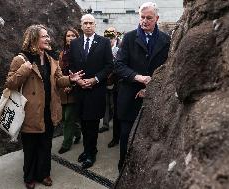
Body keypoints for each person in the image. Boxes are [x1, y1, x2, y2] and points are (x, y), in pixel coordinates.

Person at [4, 24, 83, 189]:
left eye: (48, 36)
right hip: (30, 112)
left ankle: (44, 174)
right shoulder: (21, 59)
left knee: (46, 145)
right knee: (31, 147)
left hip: (49, 110)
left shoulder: (52, 58)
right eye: (44, 36)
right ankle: (29, 177)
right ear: (34, 38)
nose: (48, 39)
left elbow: (59, 81)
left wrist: (70, 79)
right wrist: (24, 70)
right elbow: (10, 83)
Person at [115, 2, 171, 172]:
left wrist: (151, 87)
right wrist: (138, 77)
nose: (145, 21)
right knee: (125, 136)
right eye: (142, 17)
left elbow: (168, 68)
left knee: (149, 138)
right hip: (129, 98)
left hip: (154, 99)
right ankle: (123, 170)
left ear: (157, 19)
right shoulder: (129, 37)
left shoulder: (166, 39)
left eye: (149, 18)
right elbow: (118, 66)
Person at [69, 14, 113, 169]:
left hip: (95, 91)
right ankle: (86, 150)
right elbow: (72, 65)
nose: (88, 25)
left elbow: (109, 65)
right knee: (83, 122)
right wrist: (78, 80)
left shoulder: (104, 42)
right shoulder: (74, 43)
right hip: (80, 91)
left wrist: (95, 79)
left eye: (91, 23)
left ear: (95, 25)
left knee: (93, 124)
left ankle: (91, 153)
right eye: (85, 23)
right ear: (81, 25)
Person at [58, 28, 82, 154]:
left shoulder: (80, 52)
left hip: (75, 89)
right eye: (68, 35)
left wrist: (71, 85)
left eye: (73, 35)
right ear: (65, 38)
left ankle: (66, 144)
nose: (70, 37)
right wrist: (64, 84)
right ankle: (77, 132)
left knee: (68, 118)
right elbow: (58, 72)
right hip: (63, 89)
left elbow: (82, 72)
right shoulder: (62, 53)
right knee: (65, 117)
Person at [100, 28, 121, 148]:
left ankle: (115, 131)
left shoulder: (118, 50)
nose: (109, 40)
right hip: (104, 81)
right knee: (105, 104)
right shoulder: (103, 49)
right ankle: (105, 124)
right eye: (107, 38)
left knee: (114, 105)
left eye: (111, 38)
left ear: (115, 38)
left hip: (115, 81)